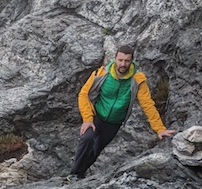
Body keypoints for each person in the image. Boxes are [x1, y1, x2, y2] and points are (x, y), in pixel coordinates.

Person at [66, 45, 175, 182]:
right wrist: (88, 119)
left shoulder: (137, 80)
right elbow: (83, 94)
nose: (123, 64)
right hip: (96, 116)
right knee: (87, 138)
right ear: (115, 59)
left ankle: (81, 174)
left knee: (95, 150)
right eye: (120, 60)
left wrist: (159, 129)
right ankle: (73, 174)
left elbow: (148, 105)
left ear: (132, 61)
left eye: (127, 61)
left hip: (114, 123)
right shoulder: (102, 73)